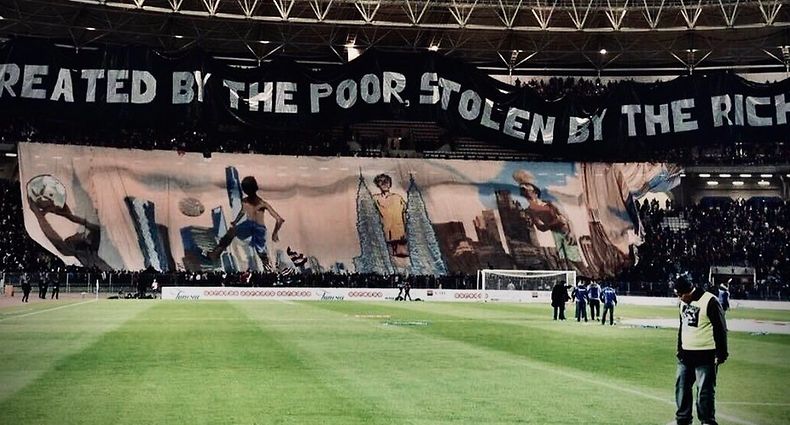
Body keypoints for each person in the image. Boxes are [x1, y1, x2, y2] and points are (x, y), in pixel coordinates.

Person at [673, 274, 728, 425]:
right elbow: (682, 326)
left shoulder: (710, 301)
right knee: (682, 388)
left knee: (704, 392)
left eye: (681, 295)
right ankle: (683, 420)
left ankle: (707, 421)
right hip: (686, 355)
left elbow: (720, 328)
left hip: (706, 355)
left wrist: (721, 353)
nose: (679, 298)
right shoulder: (683, 303)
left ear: (689, 290)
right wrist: (679, 348)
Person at [207, 176, 285, 271]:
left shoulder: (261, 203)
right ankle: (215, 254)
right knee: (232, 232)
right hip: (249, 226)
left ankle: (268, 269)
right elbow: (243, 211)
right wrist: (235, 221)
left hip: (257, 228)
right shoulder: (248, 201)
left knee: (261, 252)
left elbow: (279, 220)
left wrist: (275, 233)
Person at [512, 170, 583, 266]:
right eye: (524, 191)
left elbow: (567, 218)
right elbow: (541, 227)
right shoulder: (530, 210)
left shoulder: (550, 203)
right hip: (554, 236)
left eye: (528, 190)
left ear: (535, 192)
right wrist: (556, 221)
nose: (527, 194)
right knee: (563, 261)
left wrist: (572, 232)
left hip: (566, 232)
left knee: (575, 260)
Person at [372, 174, 408, 259]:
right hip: (385, 232)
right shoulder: (375, 198)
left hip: (398, 232)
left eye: (386, 182)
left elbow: (406, 213)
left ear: (390, 183)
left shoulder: (397, 198)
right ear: (378, 184)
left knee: (401, 256)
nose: (384, 184)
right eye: (381, 182)